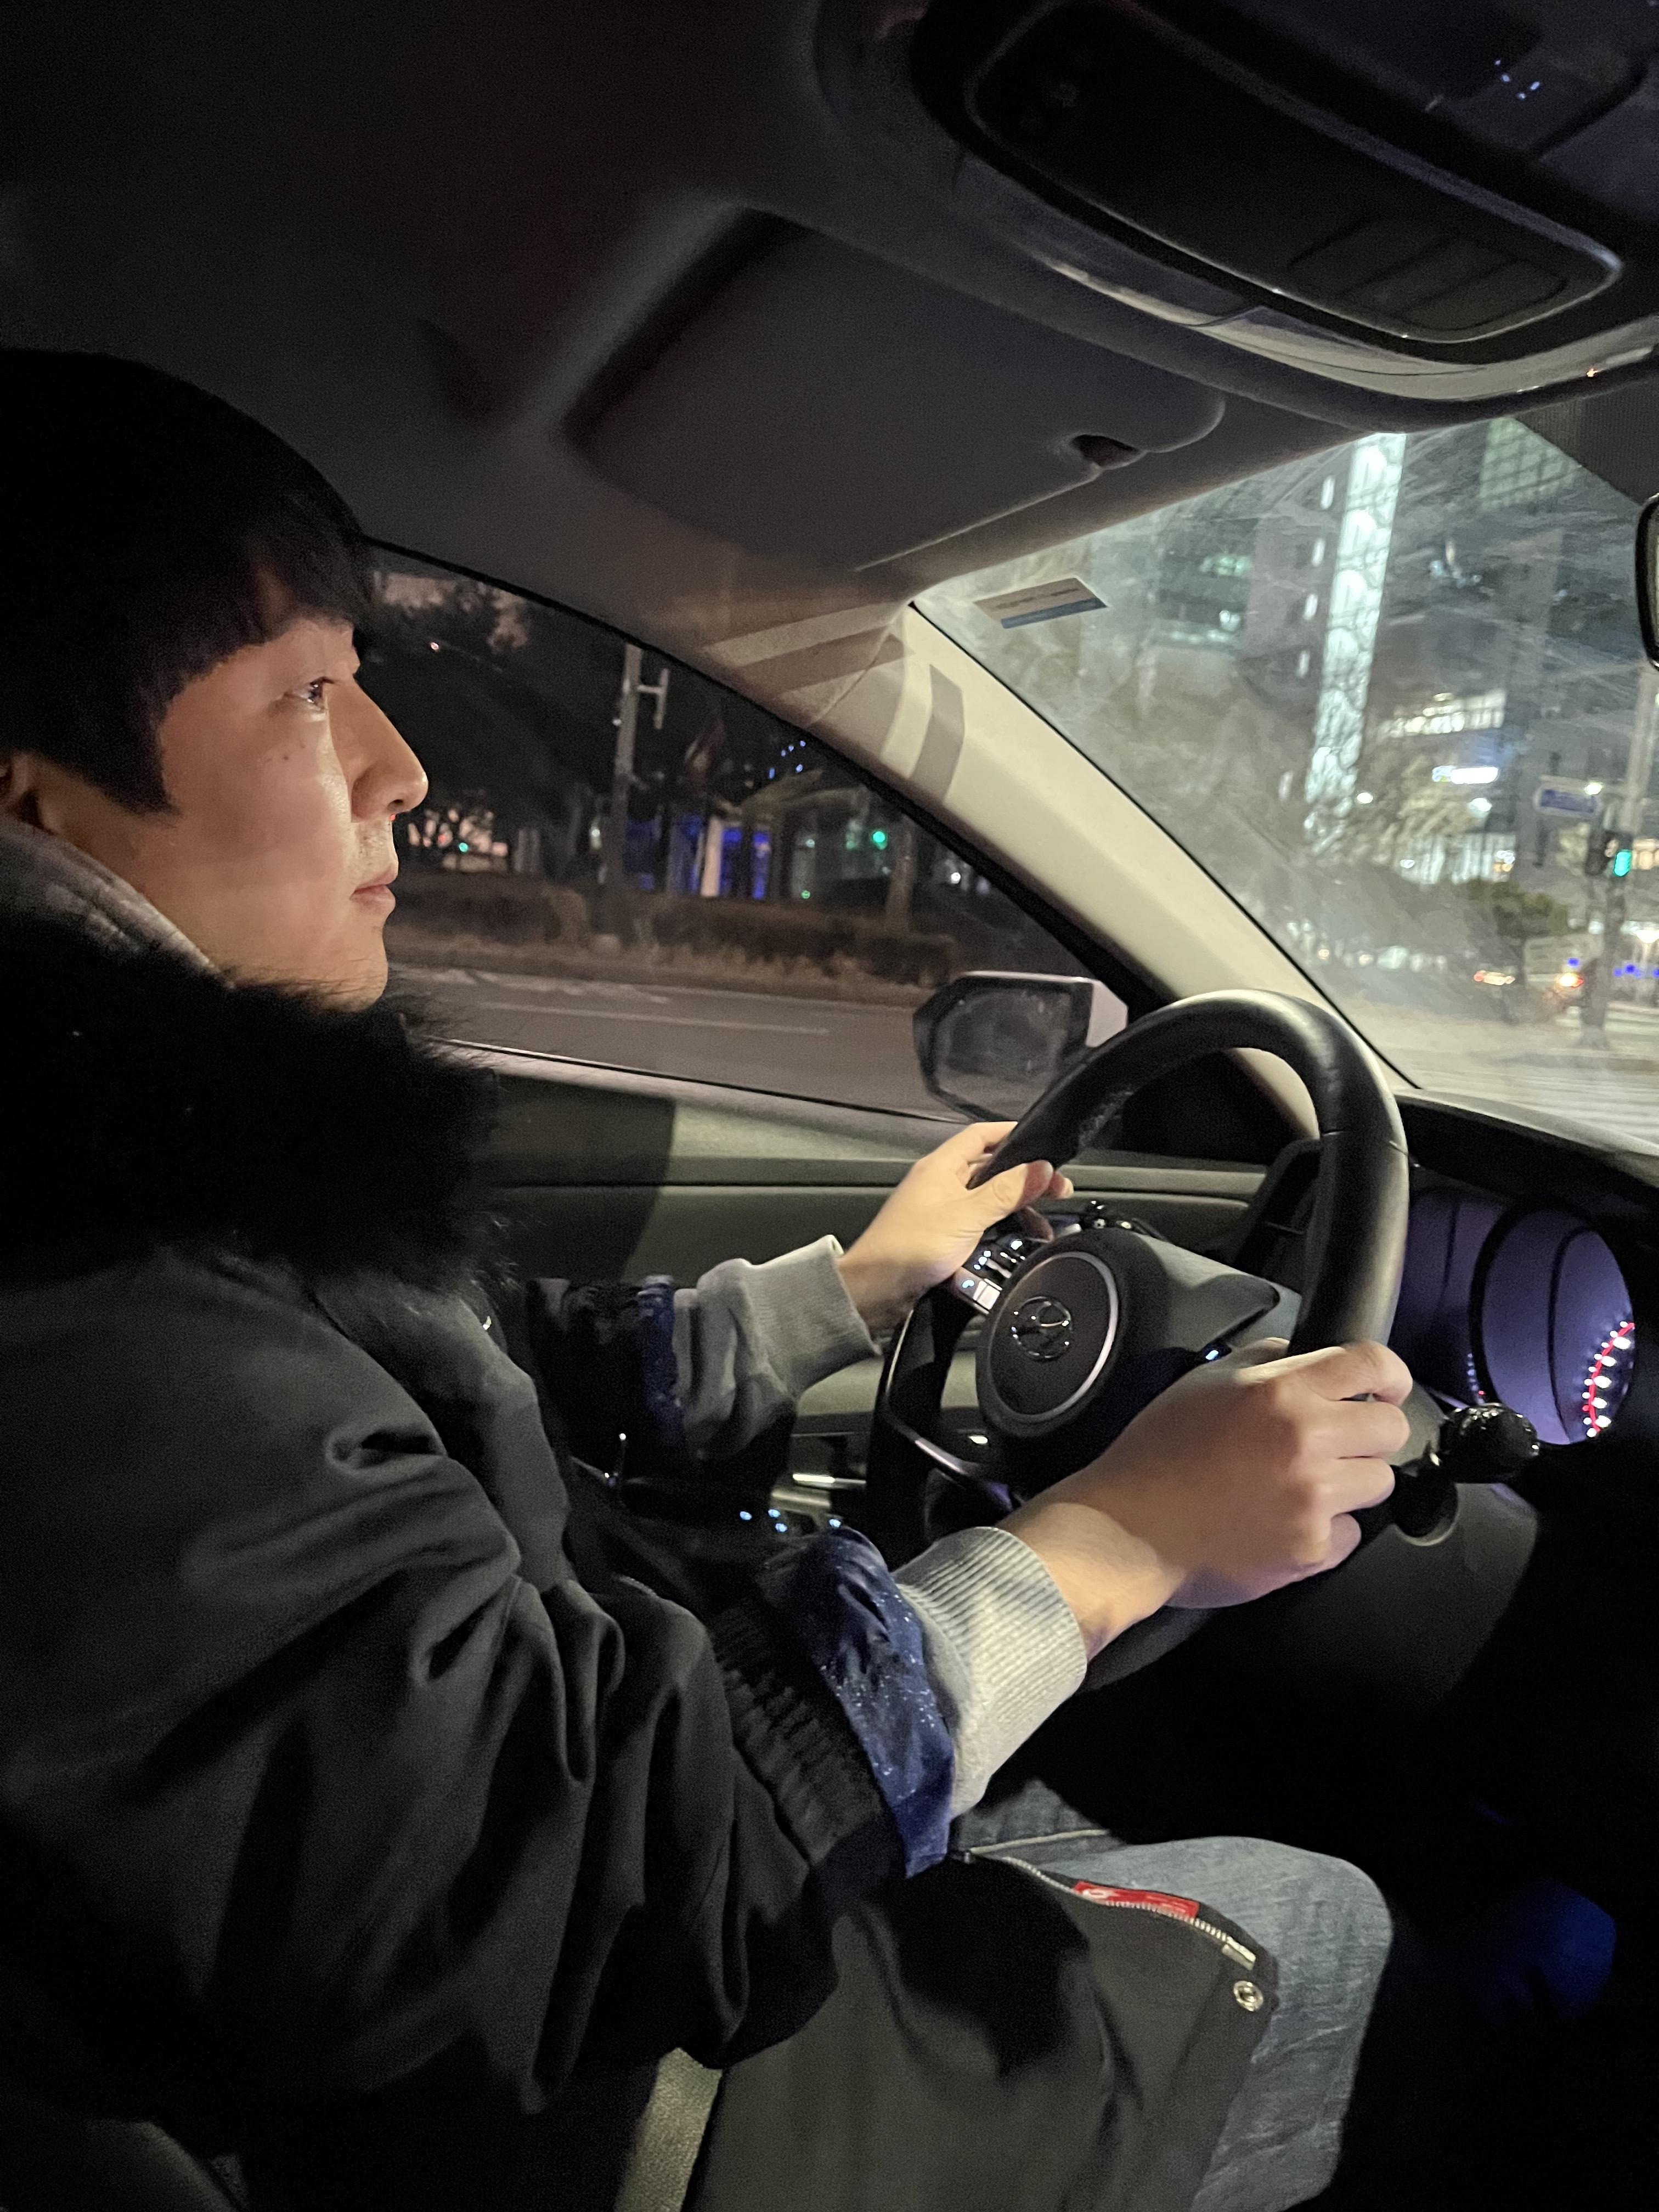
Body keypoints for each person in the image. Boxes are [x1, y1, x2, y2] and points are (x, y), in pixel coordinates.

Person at [0, 352, 1410, 2212]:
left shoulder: (166, 1208)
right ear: (35, 807)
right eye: (308, 694)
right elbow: (575, 1889)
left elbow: (481, 1390)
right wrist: (1119, 1544)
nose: (397, 768)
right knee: (1322, 1916)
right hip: (599, 2115)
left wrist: (858, 1286)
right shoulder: (86, 1310)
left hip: (571, 1944)